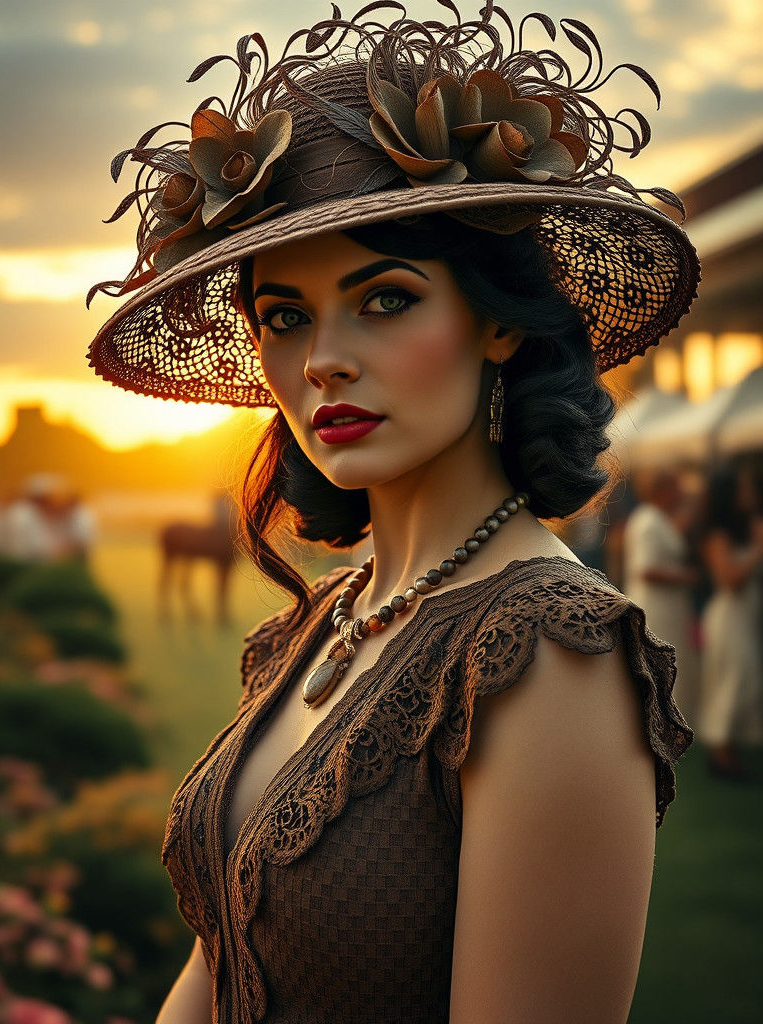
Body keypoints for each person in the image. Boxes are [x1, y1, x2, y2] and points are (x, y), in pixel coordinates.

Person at [85, 4, 699, 1022]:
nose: (322, 355)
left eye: (385, 298)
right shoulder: (316, 623)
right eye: (284, 316)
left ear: (497, 322)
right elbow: (218, 969)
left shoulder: (553, 657)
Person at [695, 464, 763, 781]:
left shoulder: (742, 528)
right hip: (728, 617)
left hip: (743, 616)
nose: (749, 494)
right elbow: (729, 578)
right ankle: (720, 756)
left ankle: (728, 751)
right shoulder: (717, 534)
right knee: (732, 682)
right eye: (744, 488)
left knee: (744, 681)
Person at [622, 468, 702, 730]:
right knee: (663, 664)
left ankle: (673, 721)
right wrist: (686, 577)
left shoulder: (657, 519)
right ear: (662, 490)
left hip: (669, 605)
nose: (678, 494)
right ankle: (664, 723)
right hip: (658, 605)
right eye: (674, 488)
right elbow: (646, 569)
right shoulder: (648, 521)